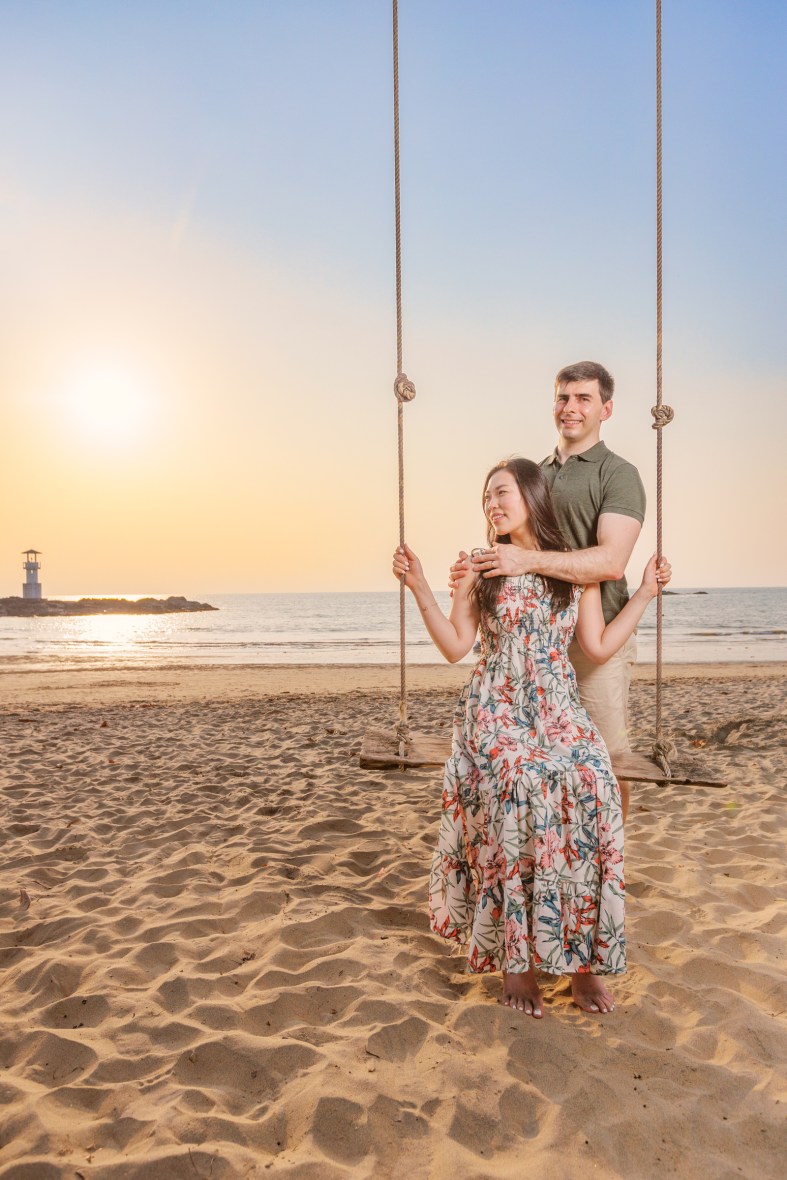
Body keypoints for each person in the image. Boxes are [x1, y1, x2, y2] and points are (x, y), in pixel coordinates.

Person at [393, 457, 670, 1017]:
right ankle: (516, 965)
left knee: (594, 782)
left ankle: (585, 965)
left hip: (557, 706)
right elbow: (454, 645)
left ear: (532, 497)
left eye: (501, 493)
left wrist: (643, 594)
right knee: (521, 784)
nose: (492, 505)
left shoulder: (570, 570)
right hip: (496, 706)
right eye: (486, 499)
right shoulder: (478, 567)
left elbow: (594, 646)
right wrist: (420, 584)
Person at [452, 361, 646, 821]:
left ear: (607, 408)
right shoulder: (532, 474)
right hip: (529, 644)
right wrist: (472, 574)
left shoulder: (618, 474)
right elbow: (507, 539)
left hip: (592, 636)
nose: (571, 408)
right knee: (536, 768)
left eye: (584, 398)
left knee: (605, 762)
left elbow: (611, 561)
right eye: (563, 397)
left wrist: (528, 561)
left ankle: (607, 869)